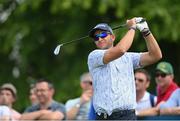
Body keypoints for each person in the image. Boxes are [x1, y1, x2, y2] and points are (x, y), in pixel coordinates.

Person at [87, 17, 162, 120]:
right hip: (104, 117)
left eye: (103, 35)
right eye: (96, 38)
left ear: (113, 37)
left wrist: (146, 32)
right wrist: (132, 28)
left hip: (127, 116)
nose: (99, 39)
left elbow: (155, 55)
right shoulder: (94, 56)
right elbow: (121, 50)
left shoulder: (128, 57)